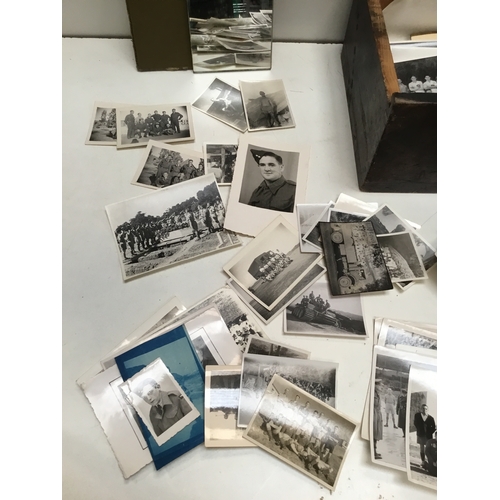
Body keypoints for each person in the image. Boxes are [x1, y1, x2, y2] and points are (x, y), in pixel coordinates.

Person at [373, 379, 383, 459]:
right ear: (375, 385)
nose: (381, 387)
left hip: (377, 415)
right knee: (373, 433)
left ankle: (374, 451)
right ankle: (373, 451)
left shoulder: (377, 394)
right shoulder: (373, 394)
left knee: (376, 433)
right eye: (380, 385)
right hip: (374, 415)